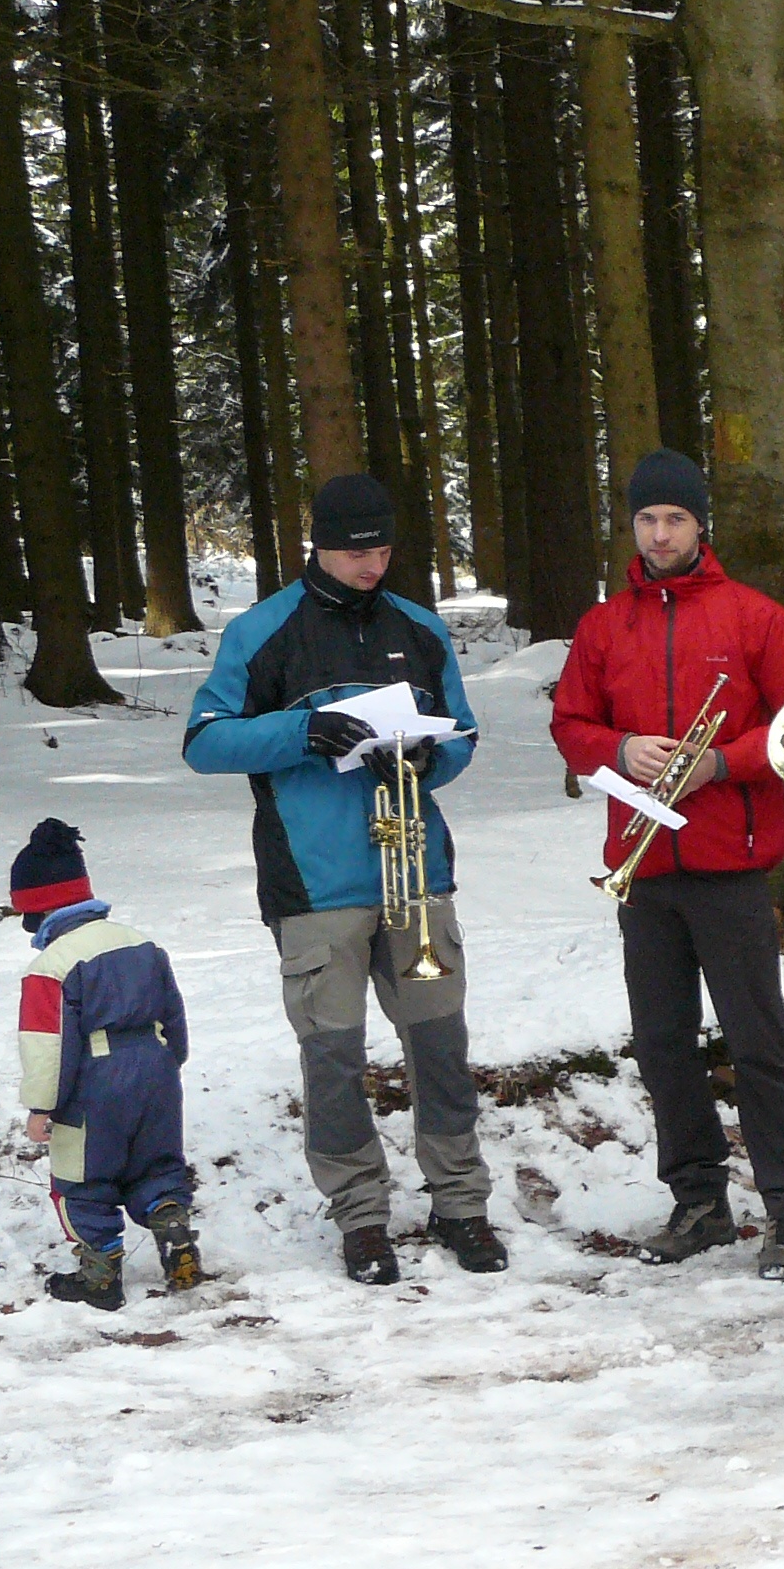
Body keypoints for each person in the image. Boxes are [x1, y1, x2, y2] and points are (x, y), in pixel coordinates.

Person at [183, 474, 504, 1287]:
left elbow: (463, 736)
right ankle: (360, 1218)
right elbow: (205, 741)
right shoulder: (263, 631)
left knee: (441, 1048)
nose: (371, 565)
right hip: (314, 884)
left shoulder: (418, 627)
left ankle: (460, 1203)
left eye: (384, 550)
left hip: (417, 875)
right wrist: (301, 731)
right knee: (332, 1061)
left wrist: (431, 758)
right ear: (319, 545)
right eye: (357, 552)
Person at [550, 449, 784, 1277]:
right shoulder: (605, 626)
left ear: (701, 524)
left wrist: (721, 763)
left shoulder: (754, 617)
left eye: (675, 518)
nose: (661, 533)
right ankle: (699, 1200)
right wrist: (620, 748)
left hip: (730, 865)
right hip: (646, 871)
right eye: (647, 519)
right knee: (662, 1043)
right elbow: (570, 725)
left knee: (757, 1041)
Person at [9, 819, 203, 1311]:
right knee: (155, 1166)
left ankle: (99, 1277)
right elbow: (174, 1014)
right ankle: (172, 1224)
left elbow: (47, 1046)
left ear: (36, 908)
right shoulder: (139, 941)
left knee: (83, 1179)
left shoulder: (50, 966)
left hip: (96, 1082)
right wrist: (170, 1064)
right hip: (157, 1069)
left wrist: (41, 1106)